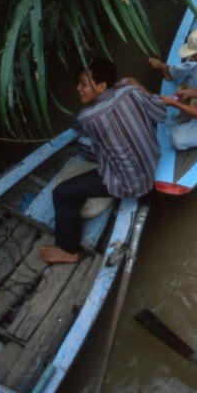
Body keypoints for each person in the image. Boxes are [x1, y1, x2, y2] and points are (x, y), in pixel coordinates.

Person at [43, 56, 168, 265]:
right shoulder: (131, 92)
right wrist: (135, 85)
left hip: (128, 184)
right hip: (152, 166)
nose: (78, 89)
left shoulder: (87, 117)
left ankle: (68, 250)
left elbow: (77, 127)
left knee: (62, 194)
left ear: (101, 86)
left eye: (83, 84)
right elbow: (161, 112)